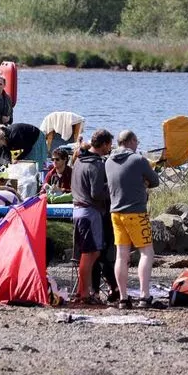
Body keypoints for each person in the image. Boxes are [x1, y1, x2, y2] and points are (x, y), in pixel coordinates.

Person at [106, 129, 162, 309]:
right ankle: (144, 296)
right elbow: (155, 181)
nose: (137, 145)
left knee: (121, 255)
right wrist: (142, 182)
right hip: (136, 212)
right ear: (130, 141)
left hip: (116, 212)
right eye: (136, 141)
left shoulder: (108, 161)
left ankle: (123, 298)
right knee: (146, 252)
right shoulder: (138, 160)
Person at [71, 129, 114, 305]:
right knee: (91, 253)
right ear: (104, 144)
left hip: (78, 210)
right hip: (90, 212)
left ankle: (83, 291)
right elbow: (96, 193)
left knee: (88, 253)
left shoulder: (79, 160)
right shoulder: (96, 164)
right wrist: (111, 188)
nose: (110, 149)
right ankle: (84, 293)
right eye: (109, 145)